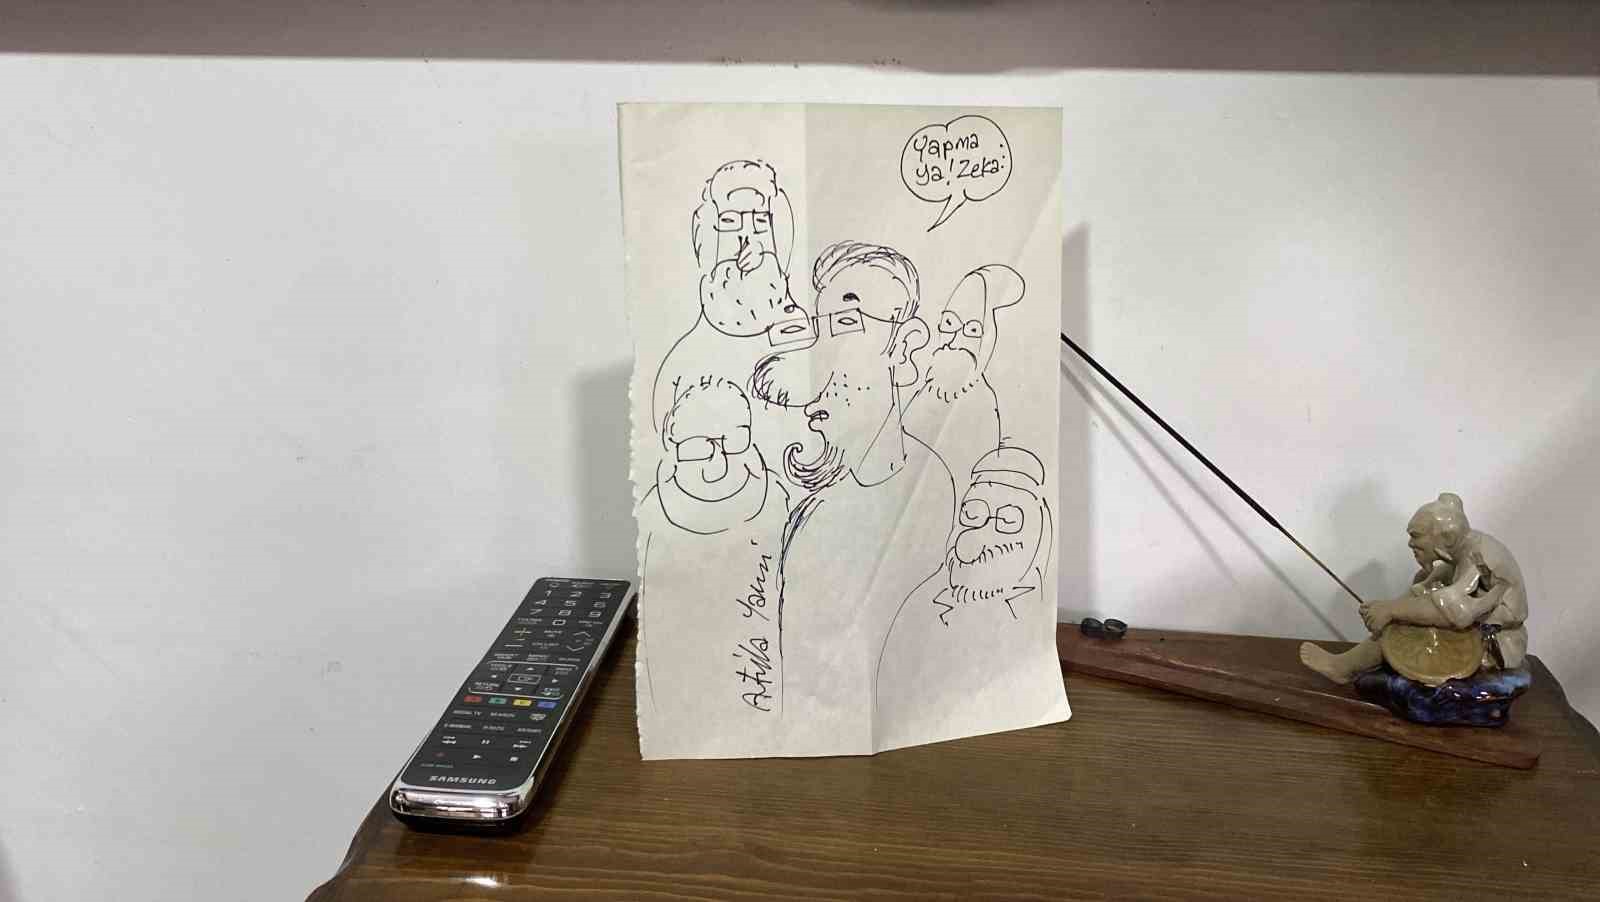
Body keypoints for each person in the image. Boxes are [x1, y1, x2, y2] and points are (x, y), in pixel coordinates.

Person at [748, 240, 956, 754]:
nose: (820, 359)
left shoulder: (932, 483)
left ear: (904, 347)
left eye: (847, 323)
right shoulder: (815, 514)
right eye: (818, 331)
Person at [874, 446, 1067, 750]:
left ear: (1036, 530)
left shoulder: (1030, 612)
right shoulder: (921, 603)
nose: (979, 534)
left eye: (1007, 520)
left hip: (1008, 740)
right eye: (972, 514)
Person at [636, 376, 789, 757]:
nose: (717, 461)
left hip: (764, 683)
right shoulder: (655, 512)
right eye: (699, 445)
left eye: (733, 440)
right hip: (684, 693)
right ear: (673, 443)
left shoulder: (775, 499)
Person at [1300, 493, 1528, 685]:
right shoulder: (1462, 552)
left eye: (1416, 536)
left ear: (1446, 537)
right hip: (1478, 628)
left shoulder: (1479, 559)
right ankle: (1349, 663)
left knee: (1403, 626)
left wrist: (1391, 610)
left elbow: (1454, 613)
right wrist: (1388, 608)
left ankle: (1342, 668)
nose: (1411, 543)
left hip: (1494, 644)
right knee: (1421, 589)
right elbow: (1428, 593)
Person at [903, 264, 1026, 488]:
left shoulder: (983, 403)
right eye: (949, 323)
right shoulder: (928, 388)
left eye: (972, 330)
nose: (954, 340)